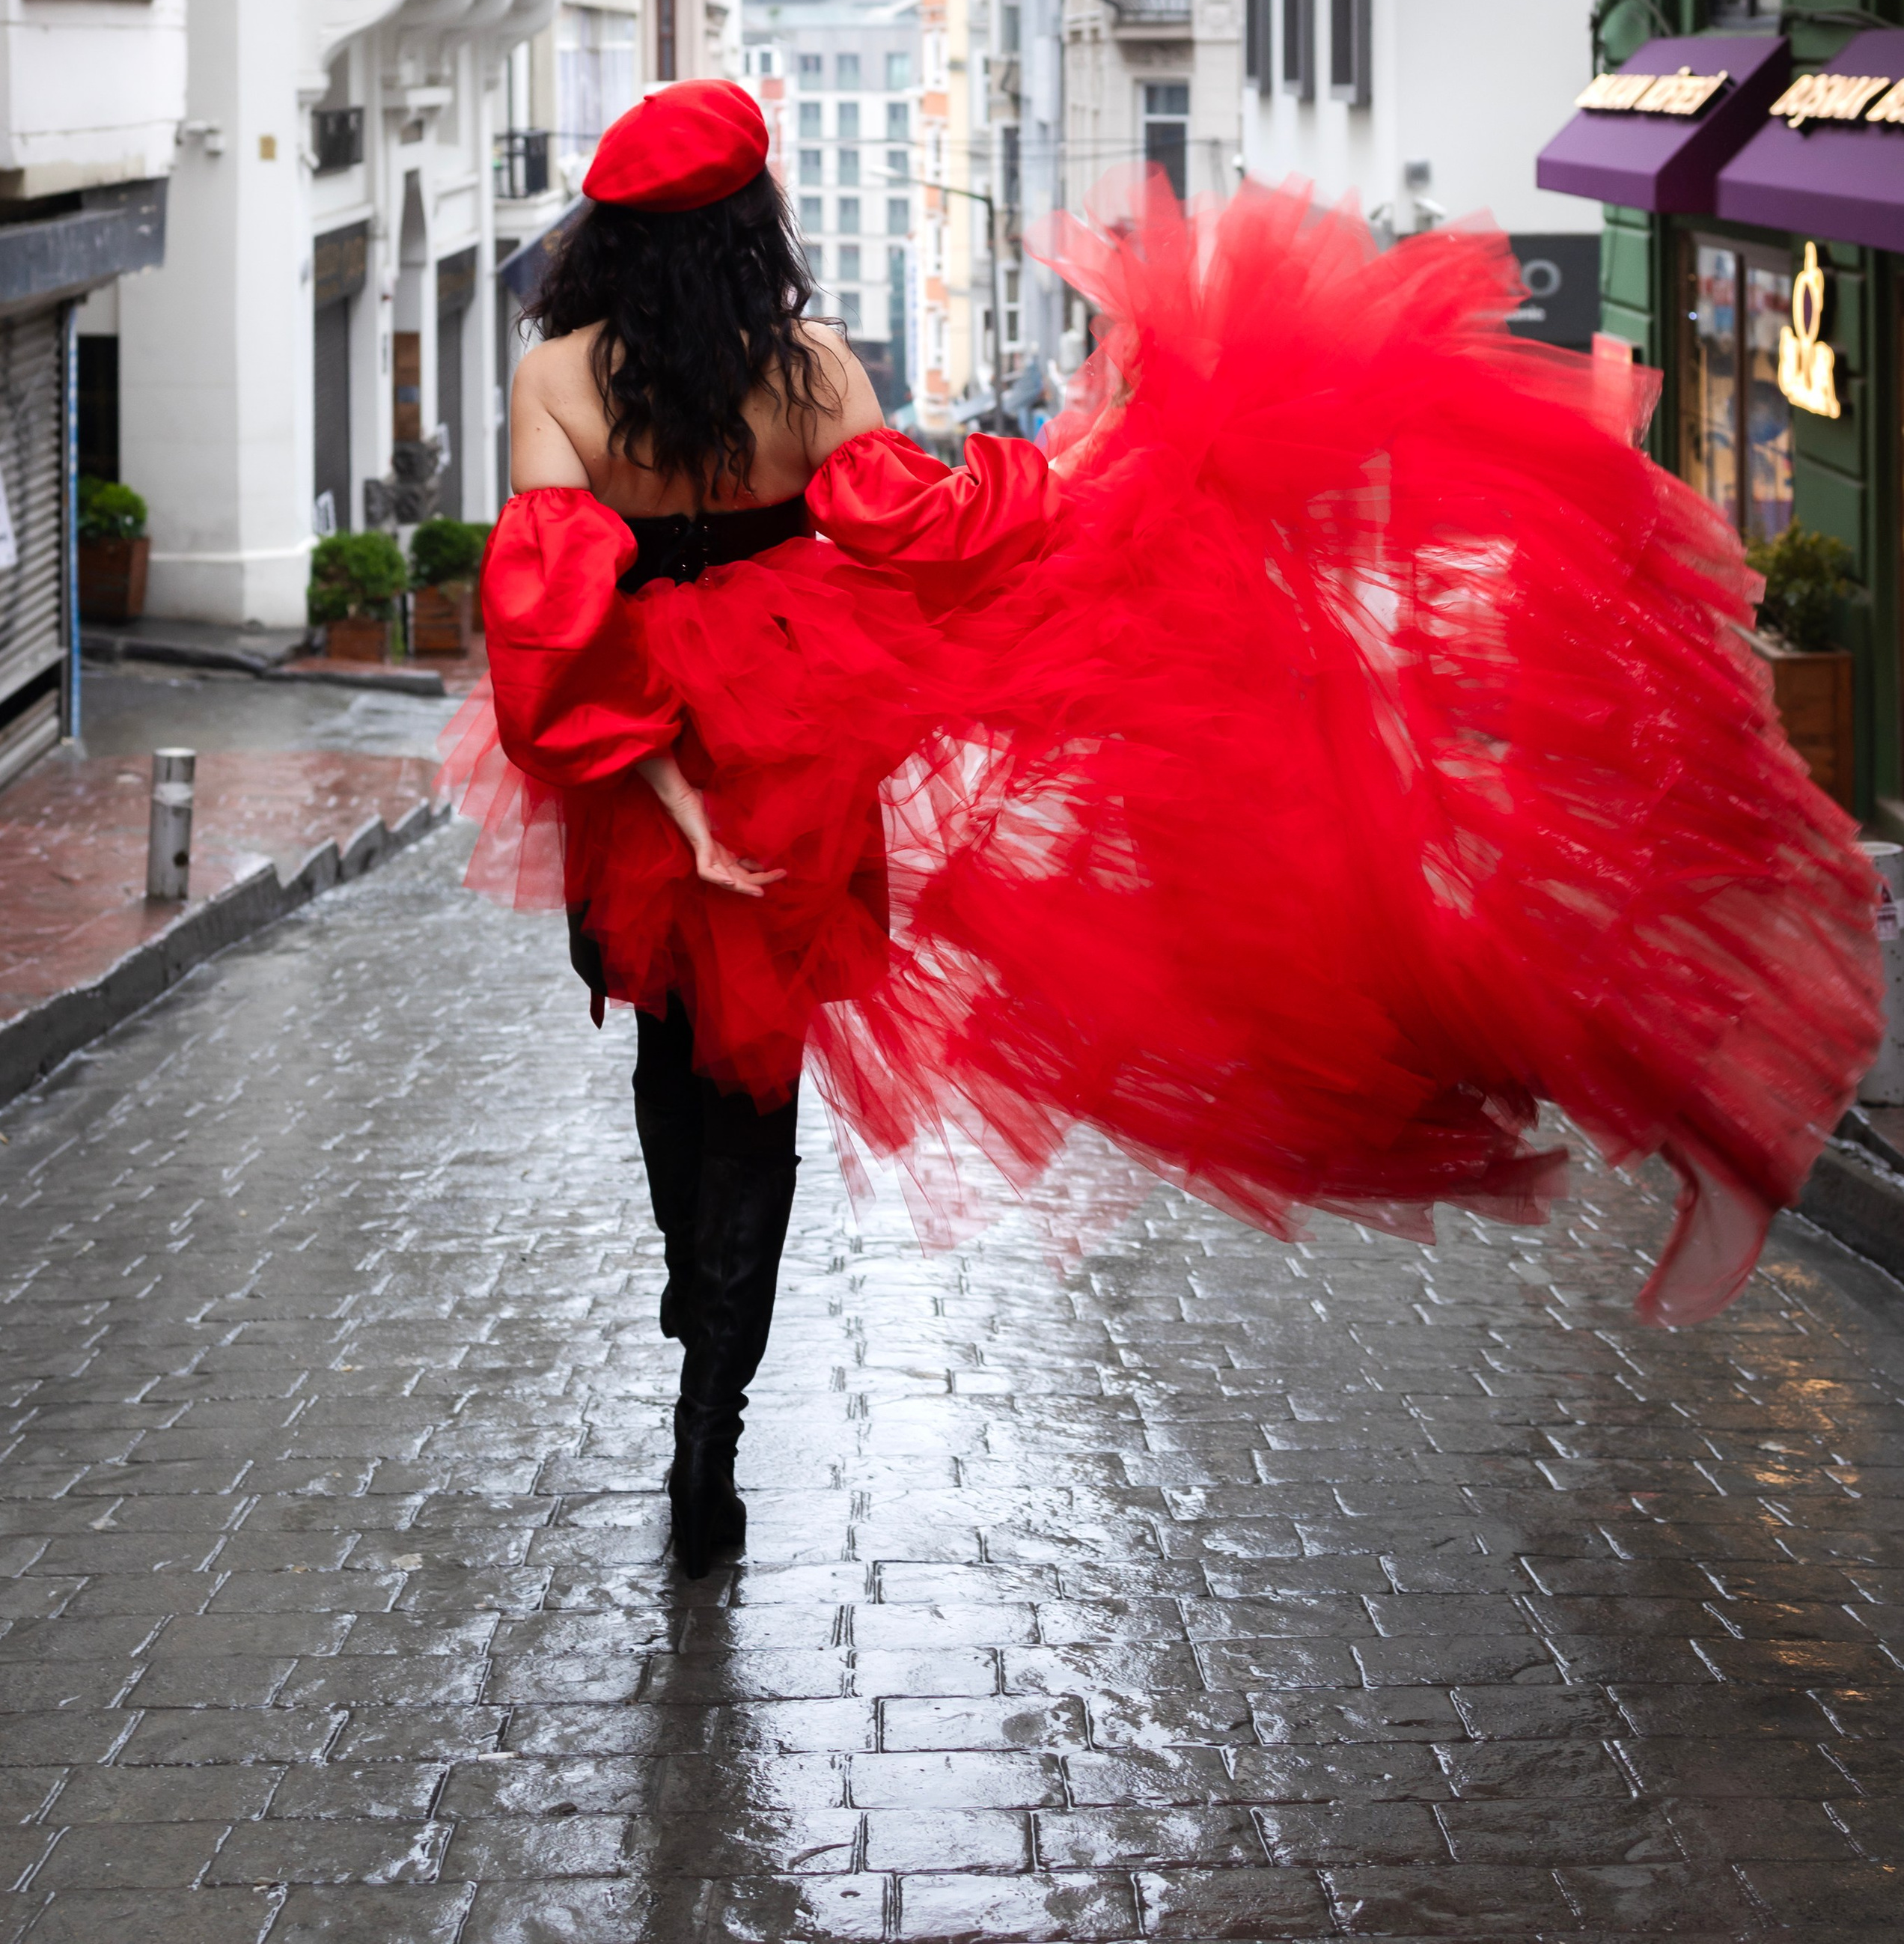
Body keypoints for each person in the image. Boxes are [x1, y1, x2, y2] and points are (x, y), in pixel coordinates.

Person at [446, 80, 1882, 1579]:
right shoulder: (806, 369)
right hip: (797, 744)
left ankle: (694, 1298)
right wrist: (1098, 492)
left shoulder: (555, 377)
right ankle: (711, 1414)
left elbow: (563, 622)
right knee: (761, 1075)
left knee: (673, 1041)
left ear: (610, 234)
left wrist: (665, 798)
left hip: (638, 765)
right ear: (753, 228)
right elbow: (915, 529)